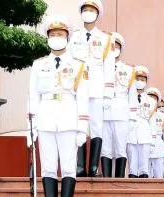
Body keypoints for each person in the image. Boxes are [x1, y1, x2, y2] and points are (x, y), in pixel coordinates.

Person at [27, 15, 89, 197]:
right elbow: (33, 96)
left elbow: (83, 98)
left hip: (68, 118)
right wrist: (31, 127)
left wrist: (82, 128)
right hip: (45, 118)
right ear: (47, 38)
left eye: (60, 35)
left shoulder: (78, 65)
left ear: (67, 38)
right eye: (52, 35)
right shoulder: (38, 65)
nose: (56, 38)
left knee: (69, 167)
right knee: (48, 167)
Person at [69, 0, 114, 177]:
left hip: (97, 86)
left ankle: (94, 167)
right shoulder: (73, 37)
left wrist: (108, 94)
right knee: (78, 124)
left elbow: (109, 66)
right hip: (78, 86)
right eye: (85, 10)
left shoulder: (105, 39)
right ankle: (80, 166)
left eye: (91, 10)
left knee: (96, 127)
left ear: (97, 14)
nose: (88, 12)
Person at [101, 31, 132, 178]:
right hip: (104, 111)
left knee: (121, 147)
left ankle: (119, 180)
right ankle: (106, 180)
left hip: (121, 111)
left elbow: (131, 95)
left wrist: (132, 118)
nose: (114, 49)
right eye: (111, 47)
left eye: (117, 46)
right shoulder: (100, 68)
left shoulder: (128, 70)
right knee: (105, 148)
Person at [126, 67, 153, 178]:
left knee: (144, 161)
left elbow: (152, 121)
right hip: (131, 130)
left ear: (146, 82)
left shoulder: (151, 100)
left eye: (142, 79)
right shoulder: (127, 97)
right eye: (137, 79)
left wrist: (153, 138)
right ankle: (132, 173)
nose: (140, 81)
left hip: (144, 132)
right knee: (132, 158)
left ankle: (143, 173)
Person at [148, 91, 164, 178]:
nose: (152, 100)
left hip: (159, 148)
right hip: (146, 144)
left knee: (159, 176)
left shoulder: (163, 116)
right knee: (145, 176)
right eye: (150, 98)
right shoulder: (143, 113)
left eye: (154, 98)